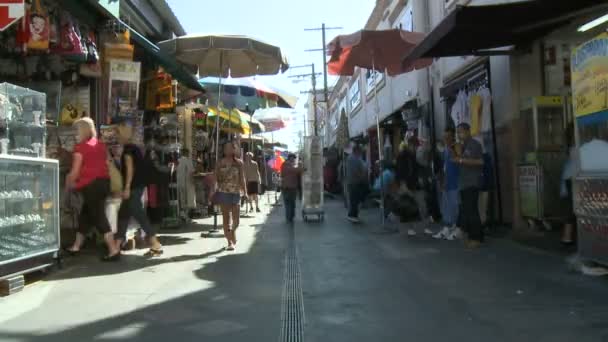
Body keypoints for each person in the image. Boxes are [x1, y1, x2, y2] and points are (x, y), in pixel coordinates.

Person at [65, 118, 121, 261]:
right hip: (104, 183)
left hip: (90, 185)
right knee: (86, 214)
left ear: (83, 130)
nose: (75, 134)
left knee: (98, 216)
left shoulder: (80, 148)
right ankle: (76, 247)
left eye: (77, 130)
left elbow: (75, 171)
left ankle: (113, 249)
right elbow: (108, 162)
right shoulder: (101, 145)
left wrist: (69, 182)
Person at [114, 119, 163, 256]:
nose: (116, 137)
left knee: (139, 215)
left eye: (118, 133)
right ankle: (116, 245)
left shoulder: (128, 150)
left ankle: (155, 243)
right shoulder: (134, 148)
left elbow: (129, 169)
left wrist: (127, 187)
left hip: (133, 187)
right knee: (123, 215)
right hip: (137, 186)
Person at [453, 123, 484, 248]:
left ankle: (476, 238)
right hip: (463, 183)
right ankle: (474, 235)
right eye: (458, 132)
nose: (459, 135)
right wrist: (458, 155)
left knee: (472, 211)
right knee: (467, 210)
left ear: (467, 131)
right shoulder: (462, 146)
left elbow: (480, 161)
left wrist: (460, 160)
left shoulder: (474, 144)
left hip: (472, 182)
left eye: (461, 132)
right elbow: (460, 161)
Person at [212, 141, 247, 250]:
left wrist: (245, 192)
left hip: (236, 192)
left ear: (234, 150)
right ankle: (229, 242)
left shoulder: (239, 163)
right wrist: (213, 190)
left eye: (229, 148)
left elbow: (242, 178)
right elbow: (215, 178)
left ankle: (231, 233)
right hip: (223, 192)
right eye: (225, 148)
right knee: (226, 218)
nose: (227, 150)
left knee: (236, 220)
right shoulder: (220, 163)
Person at [396, 137, 432, 236]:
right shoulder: (402, 155)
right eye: (415, 146)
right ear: (411, 145)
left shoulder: (412, 155)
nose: (416, 148)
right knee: (409, 206)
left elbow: (416, 168)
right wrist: (403, 184)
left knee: (420, 205)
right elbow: (399, 171)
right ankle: (411, 228)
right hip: (407, 184)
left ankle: (422, 227)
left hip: (414, 184)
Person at [433, 128, 462, 240]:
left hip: (456, 183)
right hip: (447, 182)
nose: (446, 139)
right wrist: (442, 181)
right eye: (445, 136)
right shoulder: (445, 150)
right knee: (447, 207)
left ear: (453, 136)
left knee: (455, 206)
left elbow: (461, 162)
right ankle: (447, 227)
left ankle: (457, 228)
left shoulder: (456, 147)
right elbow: (445, 167)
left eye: (448, 136)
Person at [345, 145, 368, 223]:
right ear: (357, 151)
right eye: (360, 151)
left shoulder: (355, 158)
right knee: (354, 199)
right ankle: (352, 215)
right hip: (355, 182)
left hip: (355, 182)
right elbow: (355, 171)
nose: (361, 152)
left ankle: (354, 214)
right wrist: (361, 177)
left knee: (355, 199)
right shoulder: (353, 158)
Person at [281, 153, 304, 223]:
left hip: (291, 187)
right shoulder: (286, 164)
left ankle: (291, 217)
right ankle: (289, 218)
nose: (294, 160)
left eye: (294, 158)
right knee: (289, 203)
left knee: (291, 203)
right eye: (293, 158)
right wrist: (302, 168)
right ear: (290, 158)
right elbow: (295, 170)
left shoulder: (289, 165)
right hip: (288, 187)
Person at [177, 148, 196, 219]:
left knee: (182, 199)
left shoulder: (178, 161)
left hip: (179, 182)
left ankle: (182, 213)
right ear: (187, 153)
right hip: (187, 182)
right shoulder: (188, 160)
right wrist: (193, 180)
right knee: (188, 199)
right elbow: (191, 172)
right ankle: (186, 214)